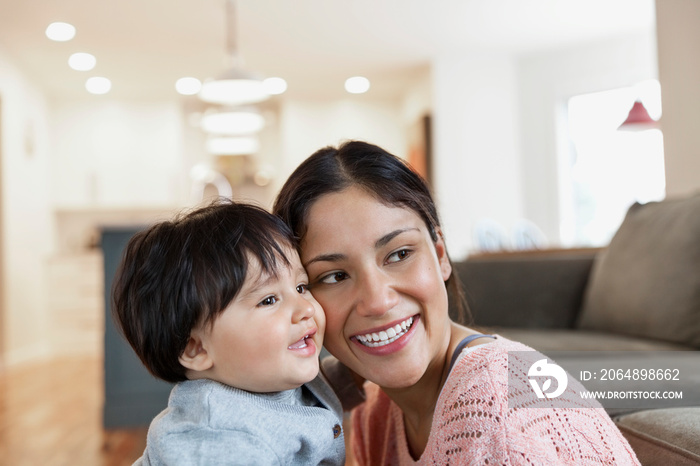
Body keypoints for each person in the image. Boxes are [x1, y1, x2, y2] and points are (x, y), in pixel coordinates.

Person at [273, 141, 640, 465]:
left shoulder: (498, 418)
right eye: (334, 276)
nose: (378, 301)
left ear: (440, 254)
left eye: (399, 254)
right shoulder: (376, 412)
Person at [112, 200, 345, 465]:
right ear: (195, 348)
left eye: (301, 287)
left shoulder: (265, 375)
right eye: (269, 300)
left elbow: (311, 396)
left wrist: (356, 376)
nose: (305, 308)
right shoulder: (222, 441)